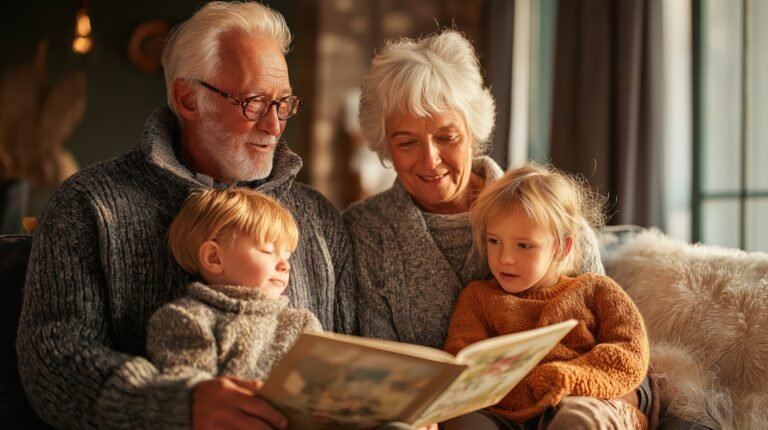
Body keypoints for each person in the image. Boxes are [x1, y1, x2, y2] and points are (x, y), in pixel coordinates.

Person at [16, 2, 355, 429]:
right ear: (187, 98)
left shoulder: (318, 217)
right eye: (253, 102)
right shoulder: (89, 205)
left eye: (284, 103)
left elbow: (357, 353)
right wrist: (176, 405)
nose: (274, 125)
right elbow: (53, 360)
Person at [343, 29, 603, 350]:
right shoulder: (366, 230)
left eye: (446, 137)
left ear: (473, 134)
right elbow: (377, 357)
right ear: (385, 144)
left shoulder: (546, 212)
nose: (430, 160)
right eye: (407, 142)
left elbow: (613, 334)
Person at [441, 163, 650, 430]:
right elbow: (462, 360)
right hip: (504, 411)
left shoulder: (597, 290)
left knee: (579, 419)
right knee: (462, 423)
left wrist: (569, 377)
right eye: (494, 241)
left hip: (581, 398)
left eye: (524, 245)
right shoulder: (477, 298)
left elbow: (628, 353)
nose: (505, 258)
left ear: (562, 246)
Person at [147, 188, 322, 384]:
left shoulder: (302, 324)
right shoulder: (187, 318)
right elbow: (192, 389)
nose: (285, 265)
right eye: (267, 251)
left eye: (288, 256)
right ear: (214, 258)